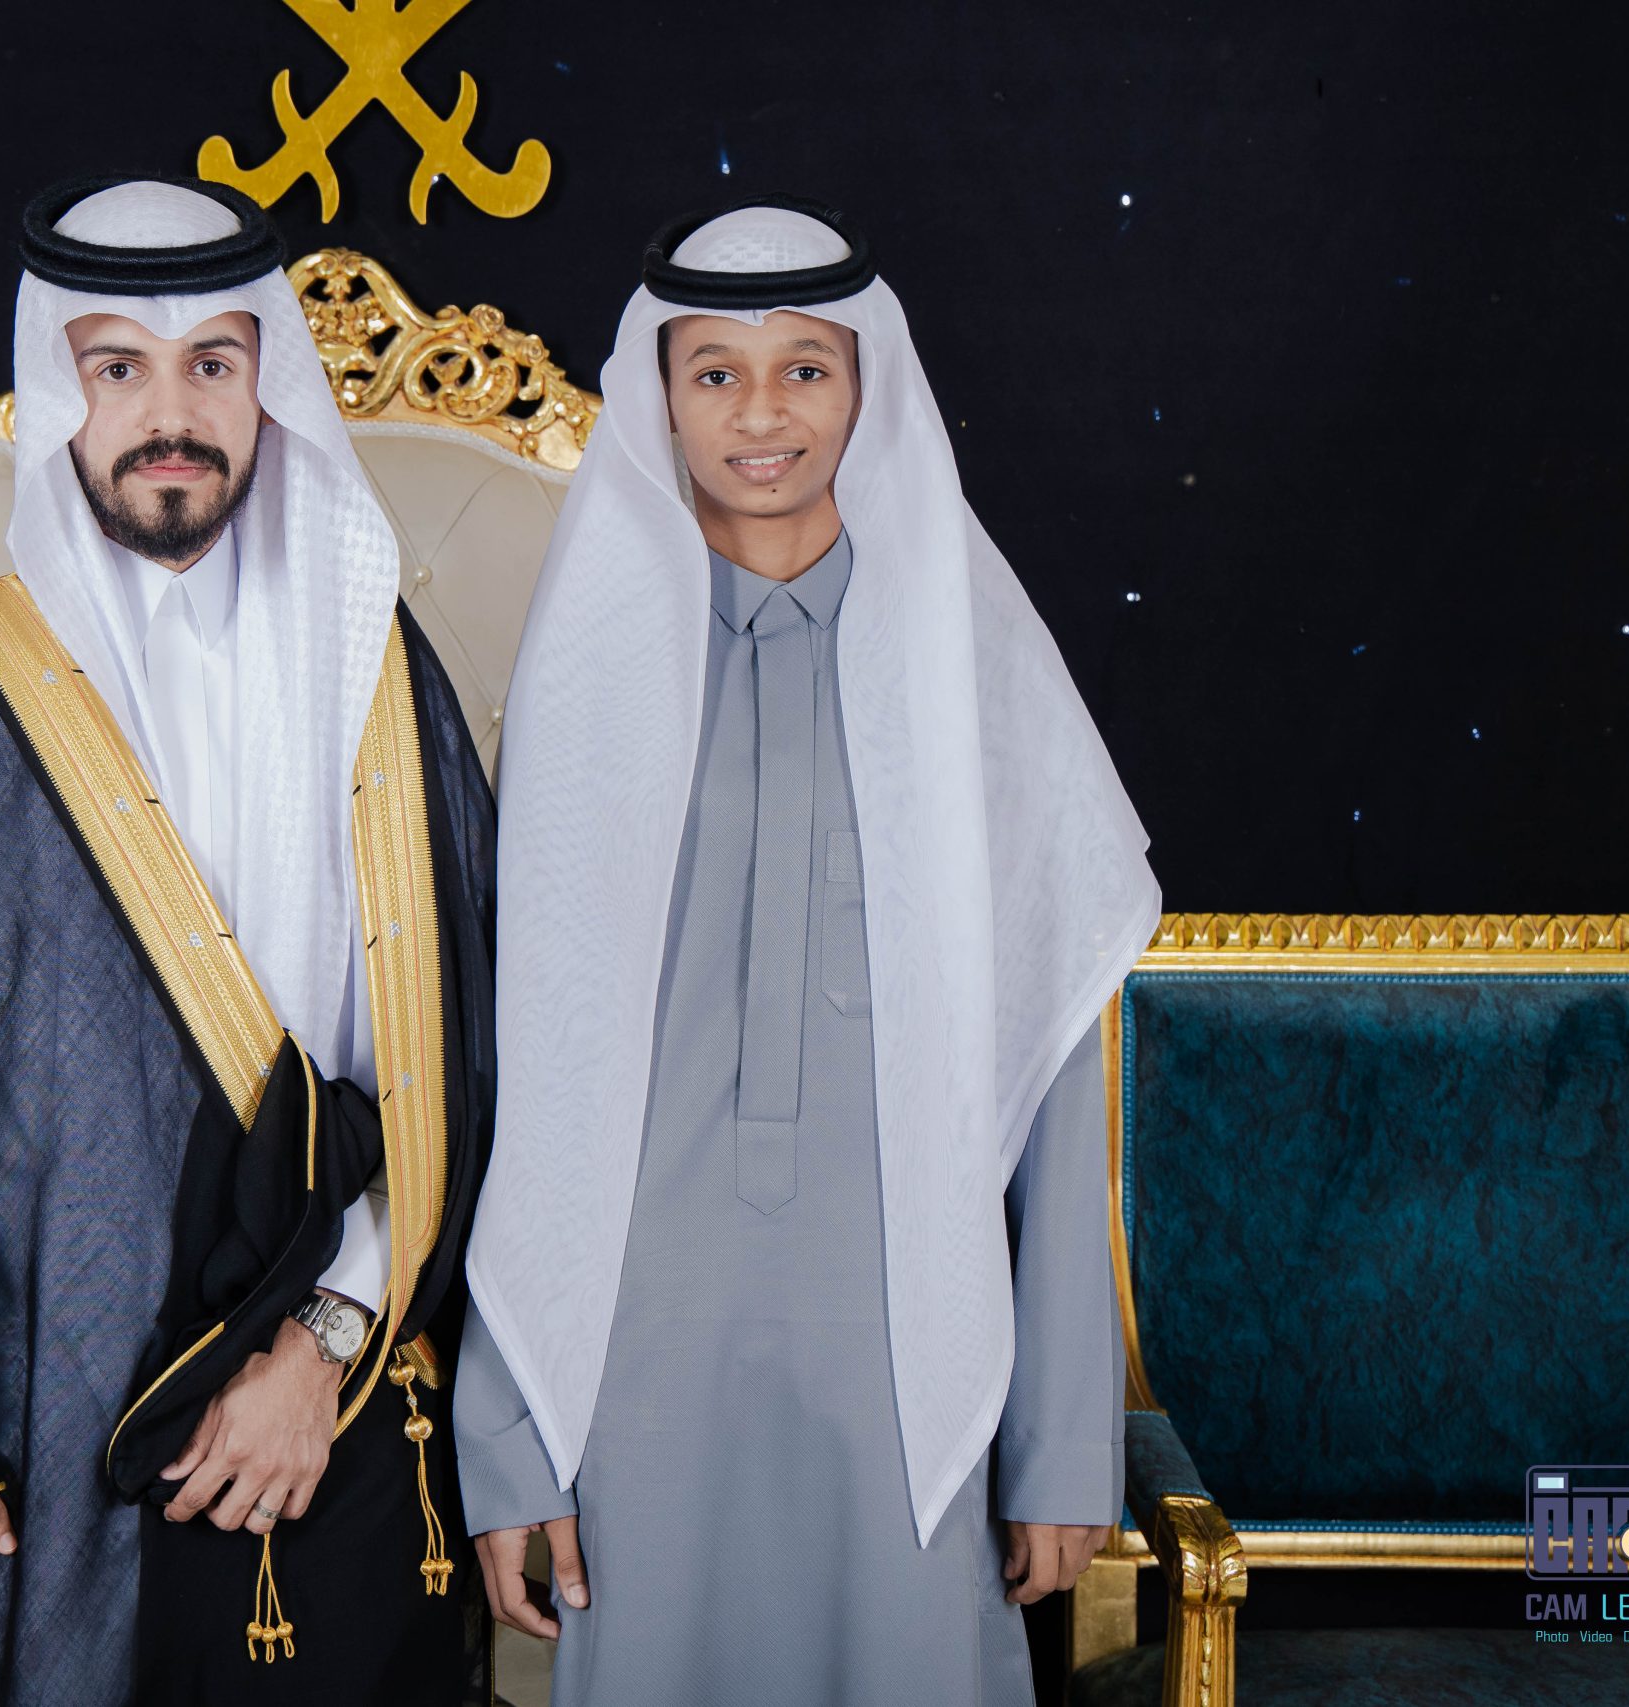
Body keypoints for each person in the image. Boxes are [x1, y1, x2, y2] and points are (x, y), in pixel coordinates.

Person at [0, 174, 496, 1707]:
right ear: (57, 388)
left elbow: (462, 1059)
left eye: (213, 362)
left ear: (266, 383)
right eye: (118, 369)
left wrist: (325, 1340)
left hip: (328, 1393)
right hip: (31, 1411)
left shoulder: (376, 674)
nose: (171, 414)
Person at [455, 196, 1160, 1705]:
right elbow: (524, 1092)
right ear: (660, 394)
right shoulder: (586, 686)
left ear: (865, 390)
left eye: (804, 370)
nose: (761, 414)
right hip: (634, 1364)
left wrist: (1060, 1442)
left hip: (911, 1358)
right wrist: (508, 1439)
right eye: (714, 371)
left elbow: (1058, 1079)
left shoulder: (972, 673)